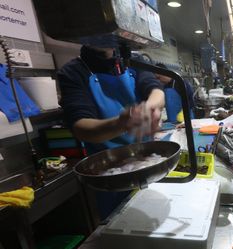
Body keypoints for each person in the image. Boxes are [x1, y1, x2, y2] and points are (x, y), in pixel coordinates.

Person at [58, 45, 164, 219]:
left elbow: (155, 90)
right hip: (108, 173)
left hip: (148, 162)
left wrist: (149, 108)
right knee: (119, 224)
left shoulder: (133, 61)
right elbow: (81, 126)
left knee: (154, 216)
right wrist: (122, 123)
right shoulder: (73, 71)